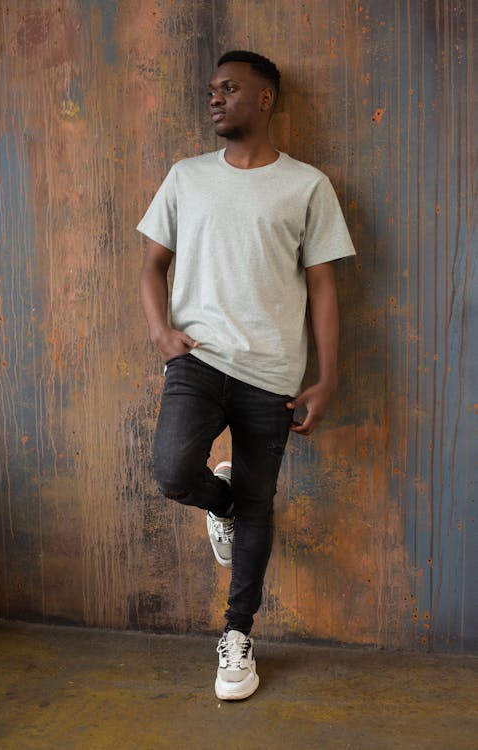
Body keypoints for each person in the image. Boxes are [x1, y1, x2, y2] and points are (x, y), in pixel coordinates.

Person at [137, 50, 355, 700]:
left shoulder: (308, 186)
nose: (215, 99)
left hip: (272, 374)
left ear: (265, 99)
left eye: (229, 89)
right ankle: (219, 502)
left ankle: (238, 637)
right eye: (211, 90)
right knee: (173, 470)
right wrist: (160, 331)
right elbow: (152, 266)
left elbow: (323, 287)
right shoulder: (185, 178)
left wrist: (327, 378)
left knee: (261, 505)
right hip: (197, 361)